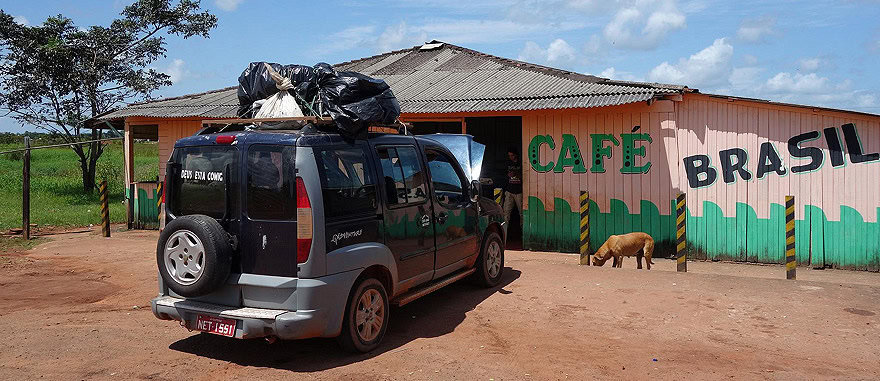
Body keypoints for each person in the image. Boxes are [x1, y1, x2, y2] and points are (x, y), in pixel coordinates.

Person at [503, 147, 523, 228]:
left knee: (522, 213)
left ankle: (523, 233)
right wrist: (508, 175)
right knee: (506, 212)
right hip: (509, 190)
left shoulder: (521, 163)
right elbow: (504, 174)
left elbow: (526, 175)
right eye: (509, 155)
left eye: (512, 155)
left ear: (516, 155)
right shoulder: (508, 163)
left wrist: (516, 175)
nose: (511, 157)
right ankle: (504, 231)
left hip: (519, 191)